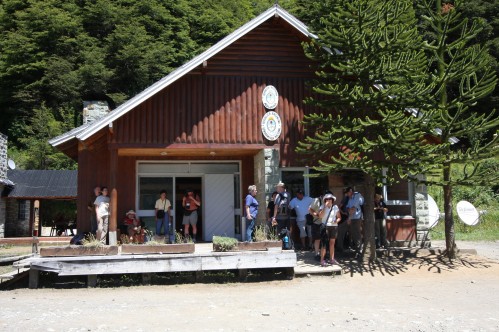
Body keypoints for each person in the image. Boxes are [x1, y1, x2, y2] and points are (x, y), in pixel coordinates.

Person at [318, 193, 342, 267]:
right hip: (325, 226)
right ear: (325, 200)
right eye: (327, 199)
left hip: (334, 226)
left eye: (330, 199)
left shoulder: (335, 207)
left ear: (332, 200)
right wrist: (325, 207)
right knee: (324, 244)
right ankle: (322, 260)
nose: (329, 200)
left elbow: (339, 217)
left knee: (332, 243)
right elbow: (320, 216)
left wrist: (336, 221)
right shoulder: (322, 207)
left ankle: (332, 259)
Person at [345, 186, 365, 254]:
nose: (347, 194)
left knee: (357, 233)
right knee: (354, 234)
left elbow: (353, 208)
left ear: (350, 192)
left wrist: (349, 218)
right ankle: (357, 249)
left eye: (348, 193)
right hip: (352, 218)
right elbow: (348, 207)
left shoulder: (357, 196)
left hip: (357, 218)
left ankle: (360, 250)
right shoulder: (349, 199)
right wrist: (349, 210)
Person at [308, 193, 323, 261]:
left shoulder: (330, 201)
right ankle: (317, 253)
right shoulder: (317, 200)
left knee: (324, 239)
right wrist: (316, 215)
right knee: (317, 239)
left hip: (326, 223)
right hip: (317, 222)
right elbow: (310, 209)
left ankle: (323, 254)